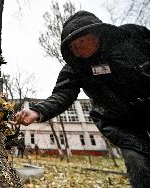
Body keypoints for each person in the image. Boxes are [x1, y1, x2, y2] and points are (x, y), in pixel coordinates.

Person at [13, 11, 150, 188]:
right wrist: (37, 111)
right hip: (120, 122)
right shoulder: (74, 68)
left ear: (97, 34)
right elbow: (63, 94)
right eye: (72, 46)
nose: (76, 50)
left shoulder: (133, 38)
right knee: (138, 163)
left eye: (81, 42)